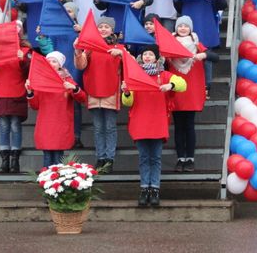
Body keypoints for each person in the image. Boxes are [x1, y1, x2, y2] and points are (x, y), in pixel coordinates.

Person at [121, 47, 186, 207]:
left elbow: (182, 84)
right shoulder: (135, 75)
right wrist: (126, 93)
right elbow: (127, 102)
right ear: (141, 57)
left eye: (150, 54)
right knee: (144, 158)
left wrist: (170, 85)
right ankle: (144, 189)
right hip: (140, 121)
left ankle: (155, 189)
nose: (147, 57)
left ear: (156, 58)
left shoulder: (164, 75)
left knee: (155, 158)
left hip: (157, 121)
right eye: (145, 54)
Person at [74, 16, 124, 174]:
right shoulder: (89, 47)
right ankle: (100, 157)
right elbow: (81, 65)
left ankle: (109, 159)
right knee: (98, 127)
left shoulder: (119, 47)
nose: (103, 29)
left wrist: (122, 55)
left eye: (106, 27)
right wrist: (78, 50)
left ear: (112, 29)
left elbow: (130, 65)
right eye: (100, 26)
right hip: (94, 90)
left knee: (109, 127)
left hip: (111, 90)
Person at [168, 15, 218, 173]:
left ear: (190, 29)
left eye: (186, 26)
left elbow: (214, 57)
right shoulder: (168, 44)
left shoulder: (196, 43)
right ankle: (180, 158)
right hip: (175, 90)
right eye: (180, 26)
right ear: (176, 28)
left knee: (189, 125)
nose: (183, 28)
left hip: (191, 91)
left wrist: (204, 55)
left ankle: (190, 159)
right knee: (178, 126)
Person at [25, 51, 88, 169]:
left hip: (61, 124)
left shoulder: (67, 80)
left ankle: (57, 185)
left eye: (54, 61)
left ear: (60, 64)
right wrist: (30, 93)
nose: (51, 63)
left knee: (59, 158)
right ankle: (48, 185)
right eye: (49, 61)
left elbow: (82, 98)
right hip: (45, 124)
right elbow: (35, 105)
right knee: (47, 158)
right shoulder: (40, 80)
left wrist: (74, 88)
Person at [0, 31, 31, 174]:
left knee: (15, 126)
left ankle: (15, 161)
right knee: (3, 127)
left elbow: (30, 71)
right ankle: (5, 161)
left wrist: (23, 60)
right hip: (1, 95)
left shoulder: (25, 51)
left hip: (17, 93)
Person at [174, 0, 226, 95]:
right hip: (188, 25)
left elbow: (223, 5)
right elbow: (178, 7)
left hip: (206, 23)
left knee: (205, 56)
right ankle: (188, 86)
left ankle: (206, 87)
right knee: (186, 55)